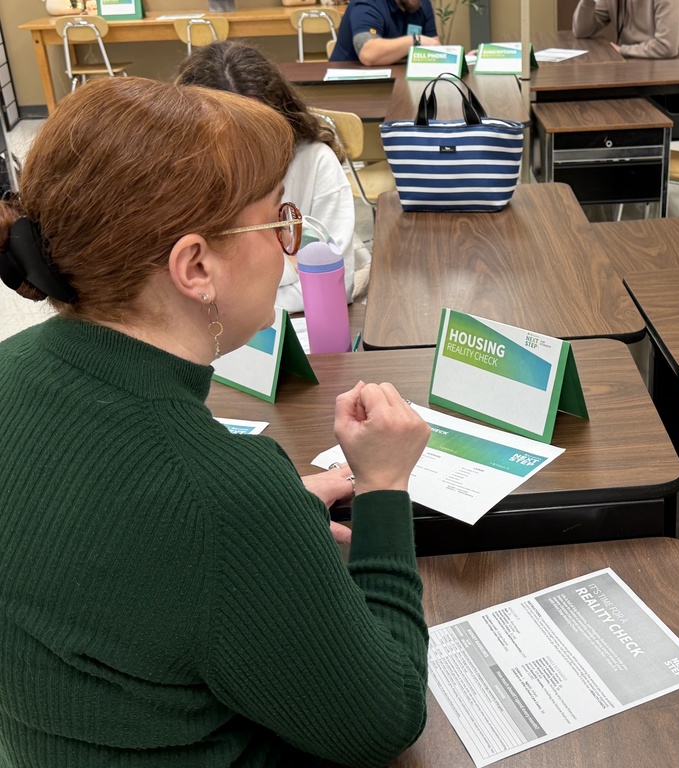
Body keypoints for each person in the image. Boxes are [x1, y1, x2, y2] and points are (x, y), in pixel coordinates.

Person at [0, 77, 431, 766]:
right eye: (277, 220)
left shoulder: (13, 364)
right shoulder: (220, 495)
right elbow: (386, 719)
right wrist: (382, 485)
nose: (290, 243)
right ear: (196, 266)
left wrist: (273, 518)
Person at [178, 40, 361, 309]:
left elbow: (336, 285)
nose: (248, 146)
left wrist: (227, 292)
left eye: (261, 128)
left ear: (281, 116)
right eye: (230, 132)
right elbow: (179, 289)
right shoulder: (180, 169)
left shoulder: (314, 161)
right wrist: (290, 267)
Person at [572, 0, 679, 59]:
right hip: (634, 66)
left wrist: (623, 50)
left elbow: (666, 47)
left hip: (673, 73)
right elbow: (581, 31)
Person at [330, 0, 439, 66]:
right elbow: (368, 54)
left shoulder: (422, 4)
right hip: (348, 84)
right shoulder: (368, 4)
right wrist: (415, 40)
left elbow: (433, 46)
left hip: (396, 77)